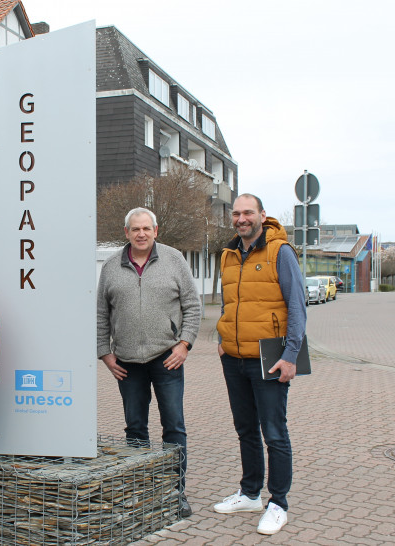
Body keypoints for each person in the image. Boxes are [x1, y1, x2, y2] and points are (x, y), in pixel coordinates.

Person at [97, 207, 201, 518]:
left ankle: (174, 491)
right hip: (126, 362)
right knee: (135, 429)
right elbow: (101, 313)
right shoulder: (111, 266)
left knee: (173, 426)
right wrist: (105, 352)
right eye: (135, 229)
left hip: (167, 358)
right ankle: (141, 490)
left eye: (146, 228)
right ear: (126, 232)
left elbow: (192, 306)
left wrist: (184, 345)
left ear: (156, 230)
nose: (141, 234)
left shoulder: (173, 260)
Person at [213, 194, 306, 535]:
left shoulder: (280, 252)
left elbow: (297, 307)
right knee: (245, 430)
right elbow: (229, 302)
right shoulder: (228, 254)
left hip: (271, 354)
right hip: (234, 356)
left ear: (262, 215)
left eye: (248, 212)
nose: (241, 218)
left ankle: (278, 503)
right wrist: (221, 340)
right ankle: (251, 492)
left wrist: (291, 355)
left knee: (275, 433)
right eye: (236, 213)